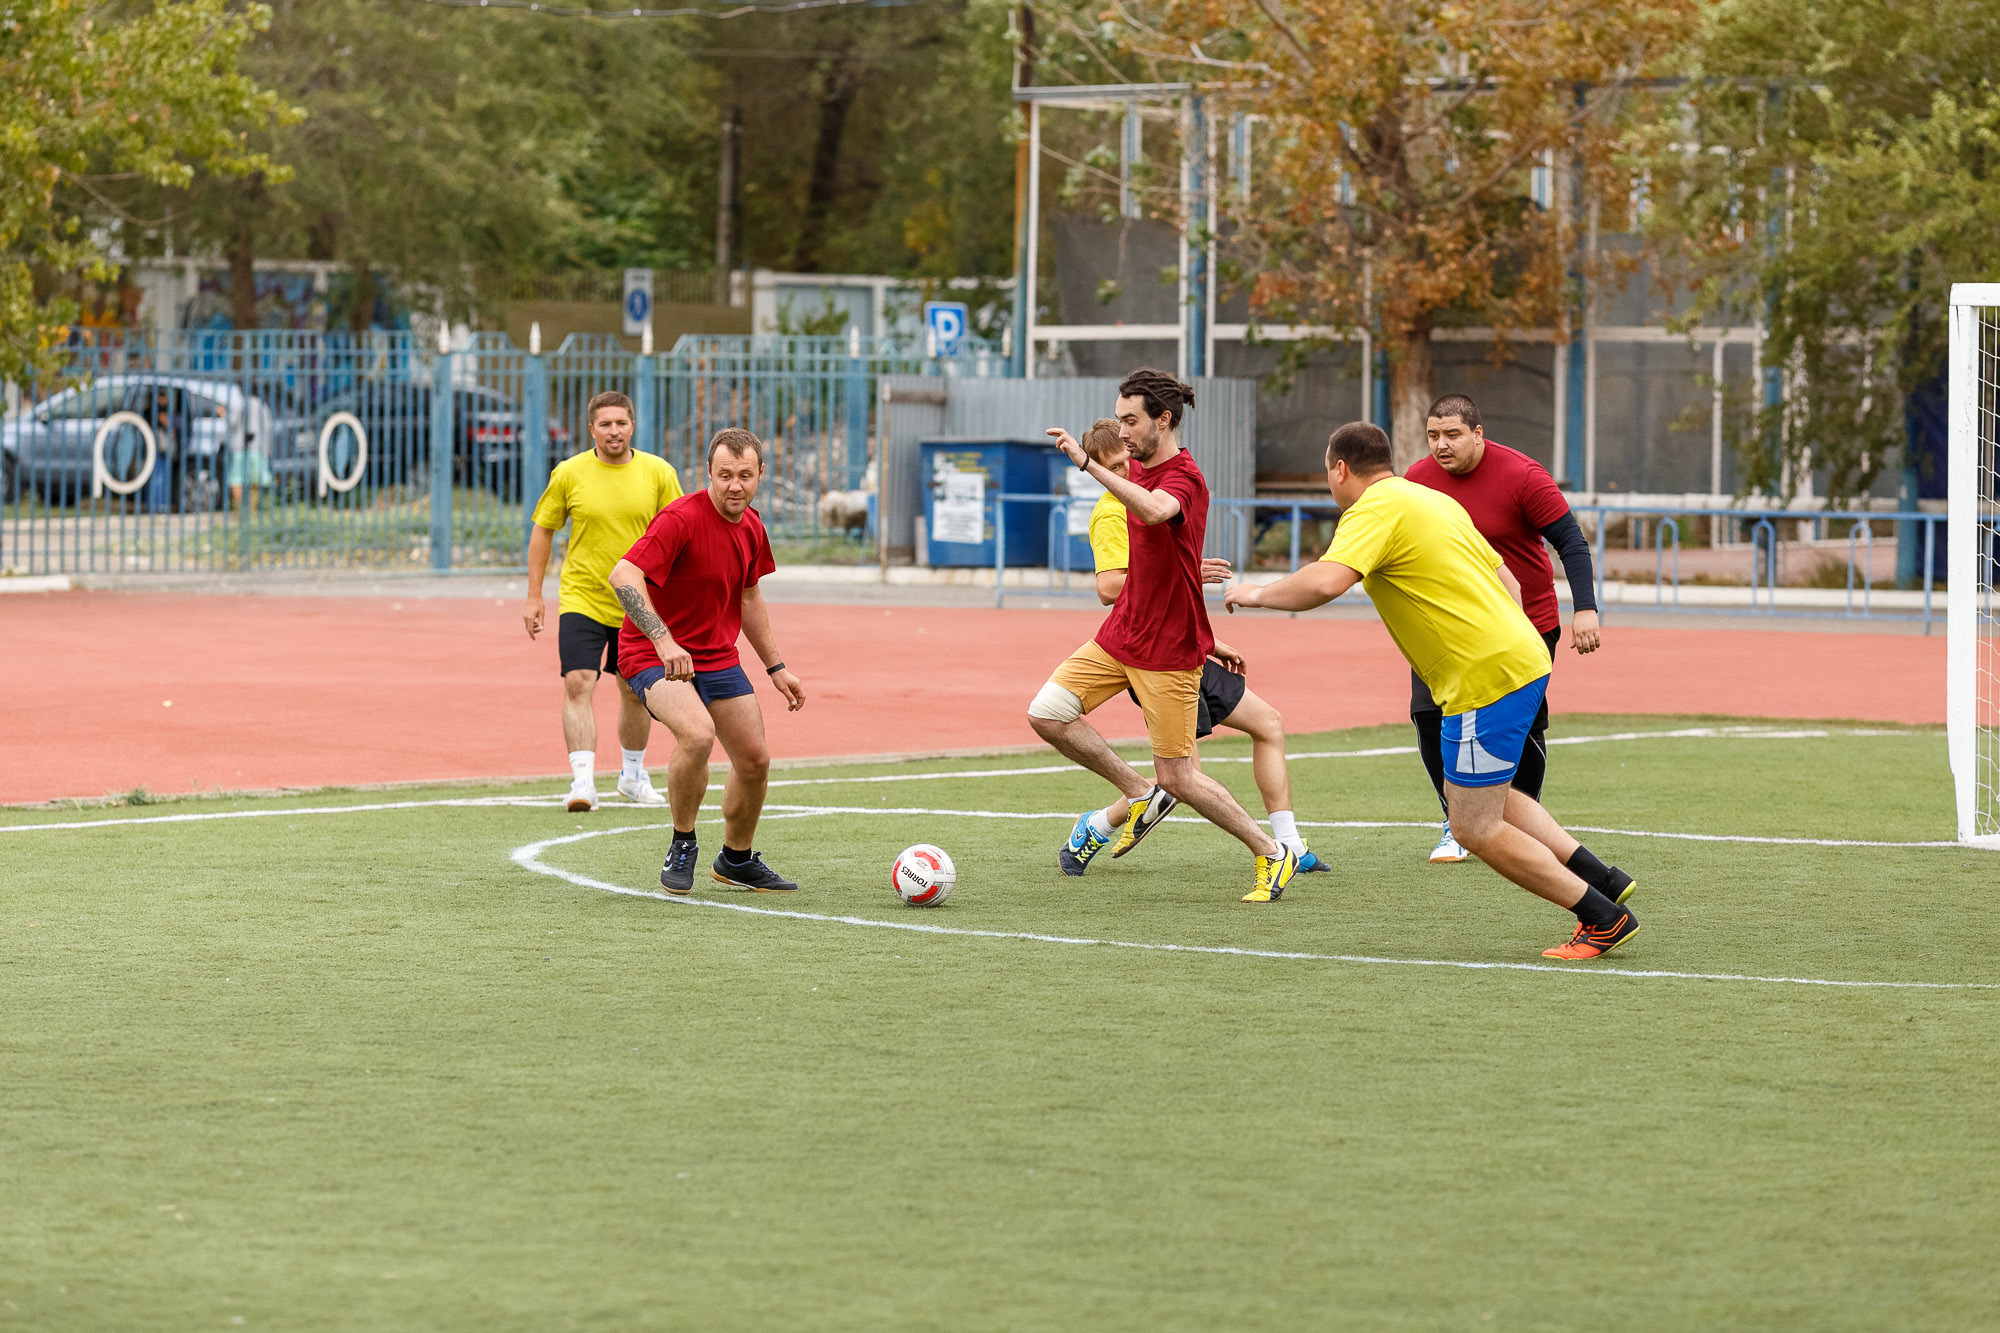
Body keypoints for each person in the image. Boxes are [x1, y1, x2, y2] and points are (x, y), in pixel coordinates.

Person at [1224, 422, 1639, 959]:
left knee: (1471, 824)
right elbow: (1508, 579)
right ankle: (1600, 878)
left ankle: (1602, 918)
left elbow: (1327, 581)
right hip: (1520, 657)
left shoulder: (1372, 509)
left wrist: (1254, 593)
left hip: (1484, 677)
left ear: (1340, 469)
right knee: (1490, 794)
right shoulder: (1430, 499)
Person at [1030, 370, 1301, 904]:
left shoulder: (1184, 476)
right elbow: (1157, 569)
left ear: (1165, 420)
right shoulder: (1133, 469)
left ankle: (1273, 852)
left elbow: (1157, 513)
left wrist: (1088, 466)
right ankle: (1136, 793)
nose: (1122, 431)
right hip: (1121, 635)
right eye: (1120, 419)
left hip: (1165, 654)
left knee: (1178, 777)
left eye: (1131, 421)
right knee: (1046, 712)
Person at [1061, 417, 1331, 878]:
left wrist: (1208, 639)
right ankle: (1099, 826)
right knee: (1181, 777)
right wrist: (1190, 573)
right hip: (1151, 656)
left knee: (1266, 725)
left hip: (1186, 645)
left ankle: (1290, 844)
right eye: (1112, 467)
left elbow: (1169, 585)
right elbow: (1109, 587)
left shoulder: (1160, 490)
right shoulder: (1111, 511)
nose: (1124, 473)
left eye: (1126, 462)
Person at [1405, 394, 1603, 863]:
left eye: (1452, 435)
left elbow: (1571, 543)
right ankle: (1458, 822)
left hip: (1525, 625)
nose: (1441, 446)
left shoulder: (1523, 475)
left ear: (1478, 433)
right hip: (1449, 629)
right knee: (1429, 716)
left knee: (1519, 728)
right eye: (1433, 435)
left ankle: (1521, 818)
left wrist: (1586, 609)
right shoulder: (1416, 480)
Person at [610, 428, 806, 896]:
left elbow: (750, 594)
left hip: (717, 657)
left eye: (744, 475)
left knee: (755, 760)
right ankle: (683, 842)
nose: (734, 485)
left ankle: (735, 859)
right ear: (709, 475)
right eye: (724, 476)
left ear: (761, 474)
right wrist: (663, 641)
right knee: (697, 734)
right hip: (649, 654)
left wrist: (777, 668)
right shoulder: (680, 518)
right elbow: (623, 575)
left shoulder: (754, 526)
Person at [525, 390, 683, 812]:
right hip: (583, 596)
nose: (614, 431)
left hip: (639, 603)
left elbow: (678, 537)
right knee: (578, 681)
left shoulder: (659, 473)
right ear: (591, 429)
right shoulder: (569, 473)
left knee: (634, 692)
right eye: (605, 424)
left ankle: (633, 776)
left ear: (633, 425)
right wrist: (534, 596)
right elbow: (543, 530)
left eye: (621, 423)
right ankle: (582, 784)